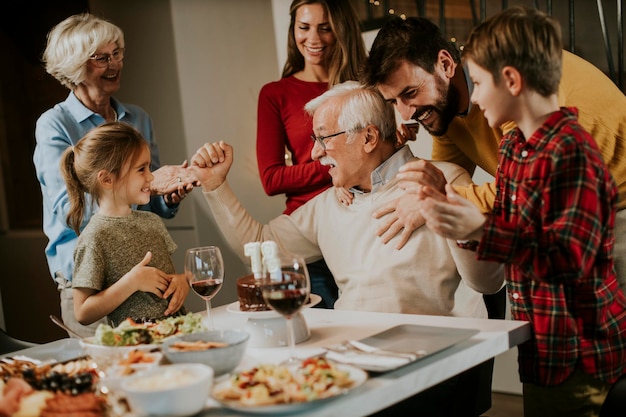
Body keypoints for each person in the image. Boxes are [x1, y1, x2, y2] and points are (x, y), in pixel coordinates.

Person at [191, 81, 504, 416]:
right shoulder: (328, 205)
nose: (314, 153)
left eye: (324, 138)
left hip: (429, 366)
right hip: (350, 361)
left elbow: (489, 283)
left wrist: (446, 211)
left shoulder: (443, 181)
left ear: (368, 138)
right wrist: (216, 186)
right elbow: (260, 248)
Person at [416, 7, 626, 417]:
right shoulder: (514, 148)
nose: (472, 97)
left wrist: (479, 226)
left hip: (581, 350)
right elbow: (514, 227)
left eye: (477, 82)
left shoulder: (574, 151)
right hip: (543, 348)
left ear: (511, 81)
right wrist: (460, 221)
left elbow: (569, 260)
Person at [361, 11, 626, 293]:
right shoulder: (449, 112)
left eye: (411, 93)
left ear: (446, 64)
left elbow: (519, 189)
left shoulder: (519, 95)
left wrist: (437, 202)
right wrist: (388, 157)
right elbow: (445, 176)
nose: (405, 113)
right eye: (394, 102)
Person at [33, 13, 196, 337]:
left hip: (144, 274)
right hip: (92, 284)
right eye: (101, 58)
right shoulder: (54, 125)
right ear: (75, 65)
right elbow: (71, 209)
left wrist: (168, 193)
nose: (115, 64)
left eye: (117, 53)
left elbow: (146, 200)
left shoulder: (138, 118)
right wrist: (134, 188)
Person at [256, 0, 367, 308]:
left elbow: (376, 156)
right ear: (293, 31)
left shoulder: (363, 86)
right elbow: (271, 179)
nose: (313, 39)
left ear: (341, 31)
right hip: (307, 236)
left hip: (360, 224)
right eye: (304, 28)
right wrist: (338, 167)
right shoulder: (275, 94)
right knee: (322, 334)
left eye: (325, 28)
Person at [60, 122, 189, 327]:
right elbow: (82, 312)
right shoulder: (95, 236)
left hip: (179, 332)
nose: (151, 176)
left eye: (149, 168)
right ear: (107, 179)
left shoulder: (152, 222)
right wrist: (132, 282)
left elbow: (169, 278)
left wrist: (182, 281)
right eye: (141, 169)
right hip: (137, 346)